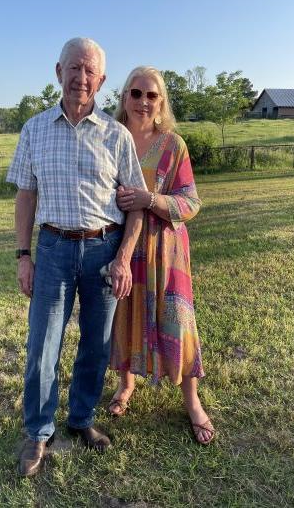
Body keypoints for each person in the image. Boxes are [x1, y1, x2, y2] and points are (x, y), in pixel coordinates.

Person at [6, 38, 146, 477]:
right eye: (74, 68)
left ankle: (82, 419)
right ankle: (39, 431)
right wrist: (24, 254)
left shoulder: (116, 135)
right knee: (42, 344)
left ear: (101, 81)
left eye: (90, 71)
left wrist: (122, 258)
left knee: (96, 345)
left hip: (104, 250)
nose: (80, 77)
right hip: (53, 249)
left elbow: (136, 206)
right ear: (58, 71)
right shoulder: (34, 129)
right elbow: (26, 195)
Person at [108, 66, 215, 445]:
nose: (143, 101)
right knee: (125, 316)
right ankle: (126, 385)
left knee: (178, 321)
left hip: (167, 252)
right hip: (121, 247)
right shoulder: (109, 138)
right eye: (136, 93)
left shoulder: (173, 145)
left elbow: (191, 202)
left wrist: (149, 199)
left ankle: (192, 400)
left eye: (152, 95)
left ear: (161, 102)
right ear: (124, 98)